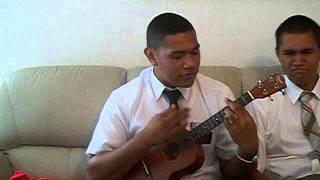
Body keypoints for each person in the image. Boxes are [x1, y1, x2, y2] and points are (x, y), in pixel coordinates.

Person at [86, 12, 258, 180]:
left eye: (195, 52)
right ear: (152, 56)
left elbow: (232, 173)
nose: (190, 64)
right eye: (177, 56)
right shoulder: (123, 99)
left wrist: (247, 150)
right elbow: (95, 173)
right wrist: (145, 140)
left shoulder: (219, 95)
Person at [247, 15, 320, 179]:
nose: (298, 61)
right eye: (289, 53)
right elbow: (254, 170)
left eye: (307, 52)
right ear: (278, 54)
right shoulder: (261, 104)